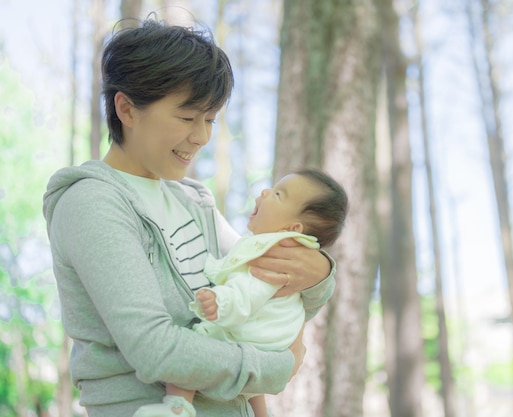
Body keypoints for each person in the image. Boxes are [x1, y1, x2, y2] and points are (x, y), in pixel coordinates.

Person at [42, 17, 336, 417]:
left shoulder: (193, 201)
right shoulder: (93, 202)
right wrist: (277, 368)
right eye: (186, 117)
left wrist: (320, 271)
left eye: (210, 119)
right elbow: (156, 350)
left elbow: (272, 290)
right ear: (127, 108)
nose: (201, 136)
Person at [134, 169, 348, 417]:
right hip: (268, 342)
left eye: (278, 194)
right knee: (248, 385)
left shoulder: (270, 253)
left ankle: (177, 407)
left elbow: (249, 291)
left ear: (292, 228)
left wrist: (220, 302)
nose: (265, 192)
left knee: (195, 344)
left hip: (257, 334)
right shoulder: (266, 246)